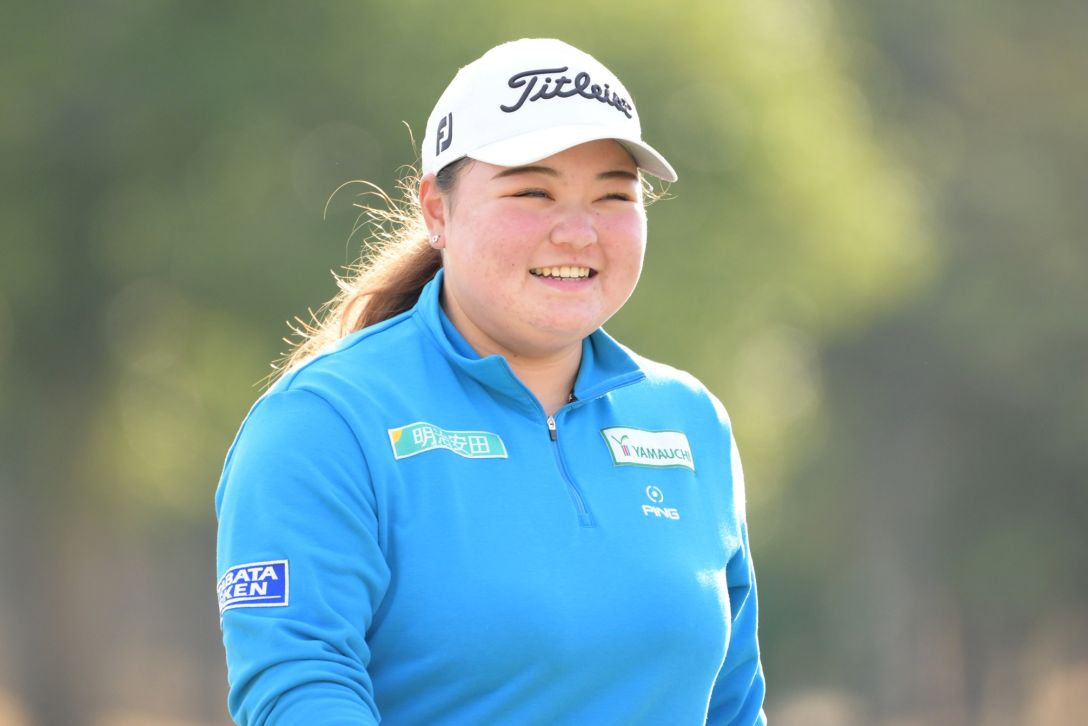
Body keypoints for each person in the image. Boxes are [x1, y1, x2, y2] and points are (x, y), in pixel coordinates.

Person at [215, 38, 767, 725]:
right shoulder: (325, 420)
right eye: (534, 192)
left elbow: (734, 706)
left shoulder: (689, 420)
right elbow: (298, 684)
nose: (578, 233)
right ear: (436, 210)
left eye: (613, 195)